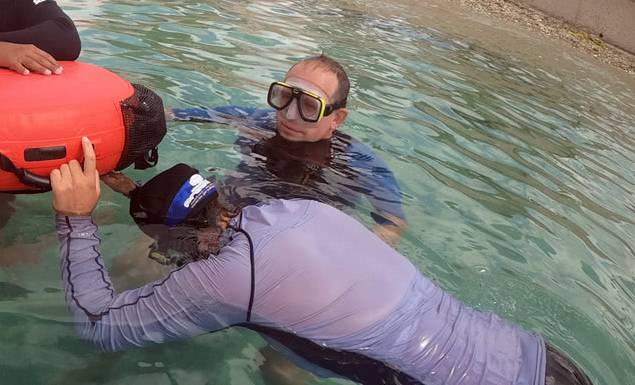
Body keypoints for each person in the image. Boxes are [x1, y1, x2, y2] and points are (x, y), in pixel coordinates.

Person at [48, 139, 594, 385]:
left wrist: (75, 221)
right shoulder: (297, 209)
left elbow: (99, 327)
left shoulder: (226, 278)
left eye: (164, 249)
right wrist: (133, 191)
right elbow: (195, 220)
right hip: (545, 360)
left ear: (179, 245)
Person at [166, 55, 406, 243]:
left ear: (337, 118)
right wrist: (159, 115)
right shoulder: (261, 121)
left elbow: (392, 222)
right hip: (226, 211)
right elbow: (206, 114)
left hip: (297, 239)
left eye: (309, 106)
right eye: (285, 97)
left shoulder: (359, 161)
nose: (289, 115)